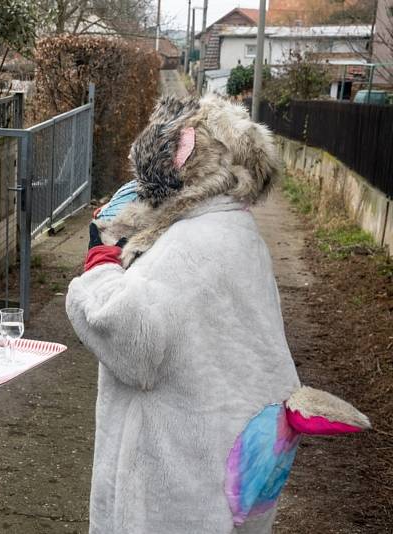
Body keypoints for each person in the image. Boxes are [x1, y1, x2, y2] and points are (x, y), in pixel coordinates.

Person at [66, 95, 369, 533]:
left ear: (185, 157)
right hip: (223, 466)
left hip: (178, 488)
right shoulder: (235, 231)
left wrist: (100, 267)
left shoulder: (193, 245)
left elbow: (129, 340)